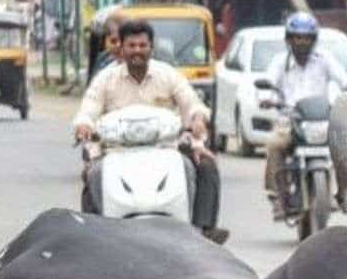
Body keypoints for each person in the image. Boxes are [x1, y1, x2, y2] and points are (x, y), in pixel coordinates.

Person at [73, 19, 230, 244]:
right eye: (132, 46)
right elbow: (88, 108)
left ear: (151, 47)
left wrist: (197, 118)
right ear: (122, 49)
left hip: (167, 146)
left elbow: (191, 102)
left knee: (205, 164)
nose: (137, 51)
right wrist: (84, 125)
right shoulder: (106, 79)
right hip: (116, 149)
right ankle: (94, 236)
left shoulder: (168, 75)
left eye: (142, 45)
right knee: (92, 174)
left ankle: (203, 230)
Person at [262, 12, 347, 221]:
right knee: (274, 145)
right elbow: (269, 83)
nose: (301, 42)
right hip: (290, 121)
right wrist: (267, 98)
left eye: (306, 38)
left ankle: (343, 194)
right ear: (289, 39)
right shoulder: (279, 62)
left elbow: (344, 80)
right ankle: (277, 196)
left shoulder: (324, 59)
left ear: (314, 39)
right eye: (296, 37)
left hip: (321, 120)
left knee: (345, 145)